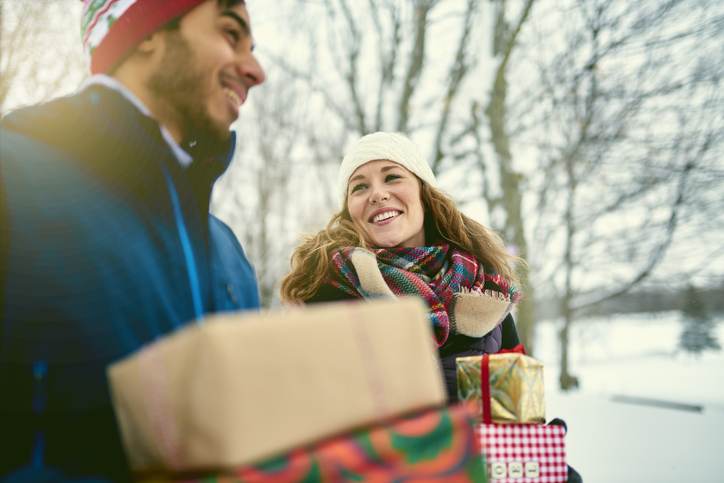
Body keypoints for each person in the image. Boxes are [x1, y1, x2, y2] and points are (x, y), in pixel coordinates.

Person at [0, 0, 265, 480]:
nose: (255, 70)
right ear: (146, 32)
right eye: (230, 33)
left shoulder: (229, 257)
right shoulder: (12, 180)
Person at [280, 132, 523, 400]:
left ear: (423, 192)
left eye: (392, 177)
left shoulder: (487, 297)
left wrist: (532, 433)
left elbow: (516, 412)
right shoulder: (322, 295)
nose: (377, 194)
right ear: (349, 211)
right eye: (359, 187)